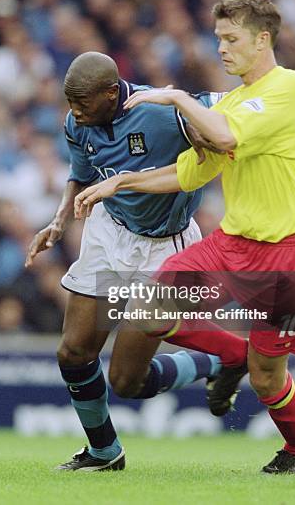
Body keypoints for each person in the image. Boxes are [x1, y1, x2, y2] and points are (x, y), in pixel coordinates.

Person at [76, 0, 295, 474]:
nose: (221, 48)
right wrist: (121, 182)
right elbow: (188, 172)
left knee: (268, 378)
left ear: (262, 39)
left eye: (231, 38)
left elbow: (228, 138)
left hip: (289, 254)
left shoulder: (292, 89)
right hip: (232, 244)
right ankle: (234, 355)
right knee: (149, 310)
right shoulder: (231, 103)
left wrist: (174, 97)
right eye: (218, 39)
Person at [25, 51, 248, 472]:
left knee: (128, 382)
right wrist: (57, 222)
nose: (73, 112)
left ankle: (219, 360)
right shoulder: (78, 121)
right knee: (73, 352)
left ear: (112, 93)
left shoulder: (160, 112)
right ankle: (104, 453)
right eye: (69, 103)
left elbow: (232, 108)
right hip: (109, 231)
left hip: (167, 244)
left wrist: (204, 122)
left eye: (81, 103)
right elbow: (81, 173)